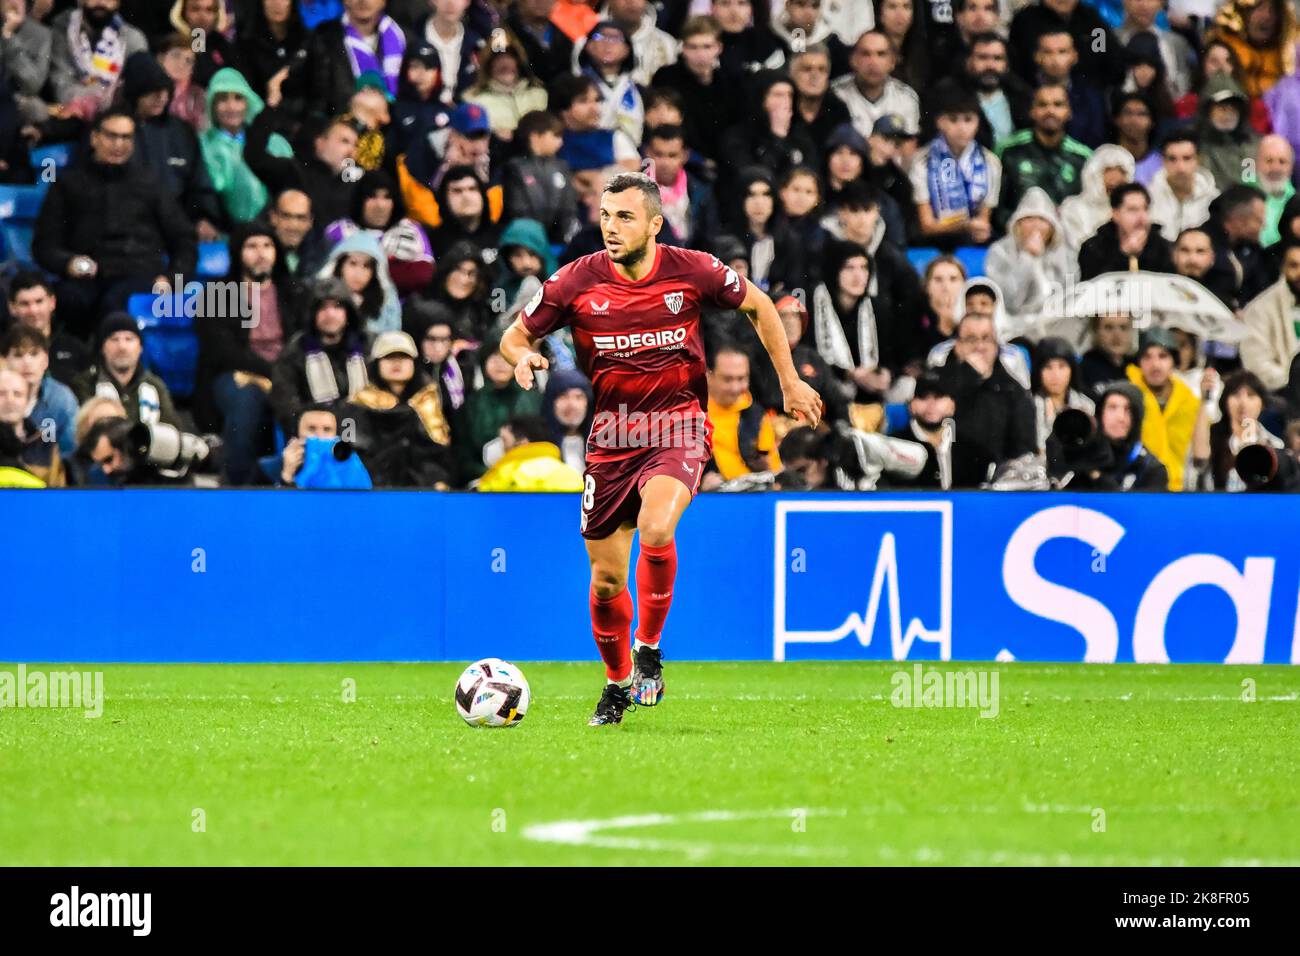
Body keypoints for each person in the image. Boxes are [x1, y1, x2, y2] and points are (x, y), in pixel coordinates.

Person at [497, 171, 820, 724]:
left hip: (677, 425)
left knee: (657, 528)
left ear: (654, 223)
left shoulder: (691, 269)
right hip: (611, 437)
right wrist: (521, 358)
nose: (610, 227)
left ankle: (648, 647)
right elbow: (515, 335)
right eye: (604, 215)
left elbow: (762, 306)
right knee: (605, 581)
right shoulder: (575, 282)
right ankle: (617, 681)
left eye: (624, 217)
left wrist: (789, 380)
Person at [33, 110, 198, 339]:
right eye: (111, 136)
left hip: (139, 274)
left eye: (126, 137)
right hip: (87, 276)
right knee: (69, 299)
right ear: (94, 138)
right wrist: (68, 263)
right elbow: (44, 245)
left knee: (116, 304)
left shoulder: (151, 184)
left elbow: (184, 239)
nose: (118, 144)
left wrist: (171, 279)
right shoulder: (68, 185)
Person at [194, 222, 300, 485]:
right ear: (238, 253)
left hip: (286, 374)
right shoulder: (217, 293)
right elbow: (223, 351)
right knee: (247, 400)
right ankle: (238, 484)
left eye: (267, 245)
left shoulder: (295, 292)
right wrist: (273, 373)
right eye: (251, 246)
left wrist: (283, 374)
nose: (261, 253)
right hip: (235, 375)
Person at [934, 310, 1037, 471]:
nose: (979, 346)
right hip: (943, 477)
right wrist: (967, 375)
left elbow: (1023, 451)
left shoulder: (1014, 391)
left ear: (996, 346)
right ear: (958, 346)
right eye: (971, 339)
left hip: (995, 484)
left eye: (986, 339)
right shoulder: (938, 380)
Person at [270, 277, 371, 434]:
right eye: (322, 308)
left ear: (348, 312)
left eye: (337, 307)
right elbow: (287, 407)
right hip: (315, 438)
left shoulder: (368, 347)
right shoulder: (294, 353)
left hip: (366, 436)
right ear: (312, 314)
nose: (330, 314)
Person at [199, 66, 296, 227]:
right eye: (223, 99)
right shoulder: (204, 144)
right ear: (212, 106)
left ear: (248, 102)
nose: (231, 107)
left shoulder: (274, 143)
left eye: (238, 98)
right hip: (225, 231)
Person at [911, 80, 1001, 248]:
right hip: (932, 240)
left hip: (972, 239)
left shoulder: (991, 162)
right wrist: (962, 225)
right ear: (940, 122)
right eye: (953, 120)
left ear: (977, 122)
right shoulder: (921, 160)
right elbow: (926, 226)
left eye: (968, 120)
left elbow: (983, 221)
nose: (961, 128)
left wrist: (975, 228)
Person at [994, 82, 1091, 230]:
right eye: (1042, 105)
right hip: (1015, 238)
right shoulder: (1009, 150)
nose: (1050, 111)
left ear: (1069, 111)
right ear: (1032, 111)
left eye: (1058, 105)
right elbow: (995, 207)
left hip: (1069, 240)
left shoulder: (1083, 157)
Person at [984, 187, 1073, 337]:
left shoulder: (1064, 256)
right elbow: (1009, 301)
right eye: (1029, 219)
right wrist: (1028, 257)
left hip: (1055, 328)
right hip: (1012, 329)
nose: (1036, 226)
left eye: (1042, 220)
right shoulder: (999, 252)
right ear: (1018, 224)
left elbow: (1069, 298)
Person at [71, 312, 180, 427]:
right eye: (114, 339)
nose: (122, 347)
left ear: (140, 348)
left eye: (129, 339)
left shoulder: (156, 386)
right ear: (102, 347)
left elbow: (172, 432)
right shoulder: (85, 384)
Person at [303, 0, 408, 119]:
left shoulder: (403, 38)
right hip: (339, 123)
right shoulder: (325, 37)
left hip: (393, 126)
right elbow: (317, 97)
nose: (363, 1)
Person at [1126, 326, 1200, 490]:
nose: (1155, 364)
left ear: (1174, 361)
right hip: (1139, 489)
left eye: (1163, 356)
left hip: (1183, 491)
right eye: (1147, 357)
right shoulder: (1126, 398)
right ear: (1139, 362)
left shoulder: (1190, 401)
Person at [49, 0, 149, 118]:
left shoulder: (133, 39)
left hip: (117, 117)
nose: (101, 2)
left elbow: (135, 91)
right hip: (72, 115)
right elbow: (61, 86)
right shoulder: (62, 30)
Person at [502, 109, 581, 247]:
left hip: (559, 243)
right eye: (555, 136)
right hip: (527, 243)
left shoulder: (561, 167)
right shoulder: (515, 168)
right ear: (535, 136)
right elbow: (518, 209)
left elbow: (569, 207)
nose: (560, 142)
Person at [706, 343, 780, 480]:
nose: (735, 388)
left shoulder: (757, 417)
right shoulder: (688, 413)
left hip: (748, 496)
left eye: (741, 379)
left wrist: (765, 469)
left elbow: (774, 472)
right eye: (727, 379)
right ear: (708, 376)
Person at [831, 29, 921, 142]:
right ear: (853, 60)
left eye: (881, 54)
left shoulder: (906, 98)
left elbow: (908, 147)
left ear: (892, 62)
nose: (873, 62)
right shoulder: (835, 95)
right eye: (866, 54)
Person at [1, 325, 78, 456]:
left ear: (46, 360)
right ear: (4, 360)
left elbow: (71, 454)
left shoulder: (62, 399)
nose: (27, 362)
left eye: (34, 354)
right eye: (18, 355)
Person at [5, 271, 86, 387]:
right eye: (24, 304)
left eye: (39, 301)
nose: (33, 311)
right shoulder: (4, 349)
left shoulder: (74, 348)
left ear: (52, 302)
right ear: (12, 307)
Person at [1078, 182, 1174, 278]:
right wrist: (1124, 254)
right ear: (1115, 214)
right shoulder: (1093, 247)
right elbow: (1093, 286)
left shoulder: (1163, 247)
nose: (1141, 217)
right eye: (1133, 210)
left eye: (1145, 209)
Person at [1239, 243, 1300, 391]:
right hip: (1280, 394)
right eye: (1294, 265)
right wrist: (1294, 382)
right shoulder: (1260, 308)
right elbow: (1257, 365)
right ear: (1282, 268)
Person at [476, 413, 585, 491]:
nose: (499, 446)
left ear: (522, 443)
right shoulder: (571, 475)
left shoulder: (503, 476)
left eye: (504, 440)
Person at [1059, 144, 1135, 254]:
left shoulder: (1133, 210)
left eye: (1121, 170)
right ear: (1093, 174)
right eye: (1108, 170)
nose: (1116, 177)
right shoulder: (1073, 209)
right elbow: (1077, 250)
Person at [1147, 131, 1219, 242]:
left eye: (1187, 158)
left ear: (1198, 160)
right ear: (1163, 161)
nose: (1180, 168)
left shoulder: (1214, 199)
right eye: (1172, 159)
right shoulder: (1147, 197)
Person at [1196, 73, 1260, 190]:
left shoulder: (1254, 145)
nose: (1228, 114)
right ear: (1207, 111)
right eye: (1222, 108)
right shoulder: (1195, 147)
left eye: (1233, 108)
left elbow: (1252, 185)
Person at [1031, 335, 1095, 452]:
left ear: (1072, 369)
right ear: (1038, 371)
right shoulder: (1028, 406)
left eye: (1062, 366)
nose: (1055, 374)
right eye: (1048, 367)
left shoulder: (1087, 406)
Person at [0, 366, 62, 486]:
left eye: (17, 394)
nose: (10, 400)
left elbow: (58, 488)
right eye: (1, 393)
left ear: (28, 401)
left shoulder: (47, 445)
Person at [1256, 134, 1296, 248]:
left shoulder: (1297, 204)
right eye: (1269, 161)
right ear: (1257, 163)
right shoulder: (1242, 197)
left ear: (1291, 167)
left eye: (1282, 162)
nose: (1275, 168)